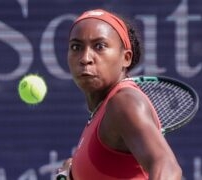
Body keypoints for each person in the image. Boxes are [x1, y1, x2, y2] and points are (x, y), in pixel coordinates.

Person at [58, 9, 182, 180]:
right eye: (76, 47)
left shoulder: (124, 101)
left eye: (99, 46)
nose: (85, 58)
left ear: (126, 58)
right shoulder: (101, 112)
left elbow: (167, 167)